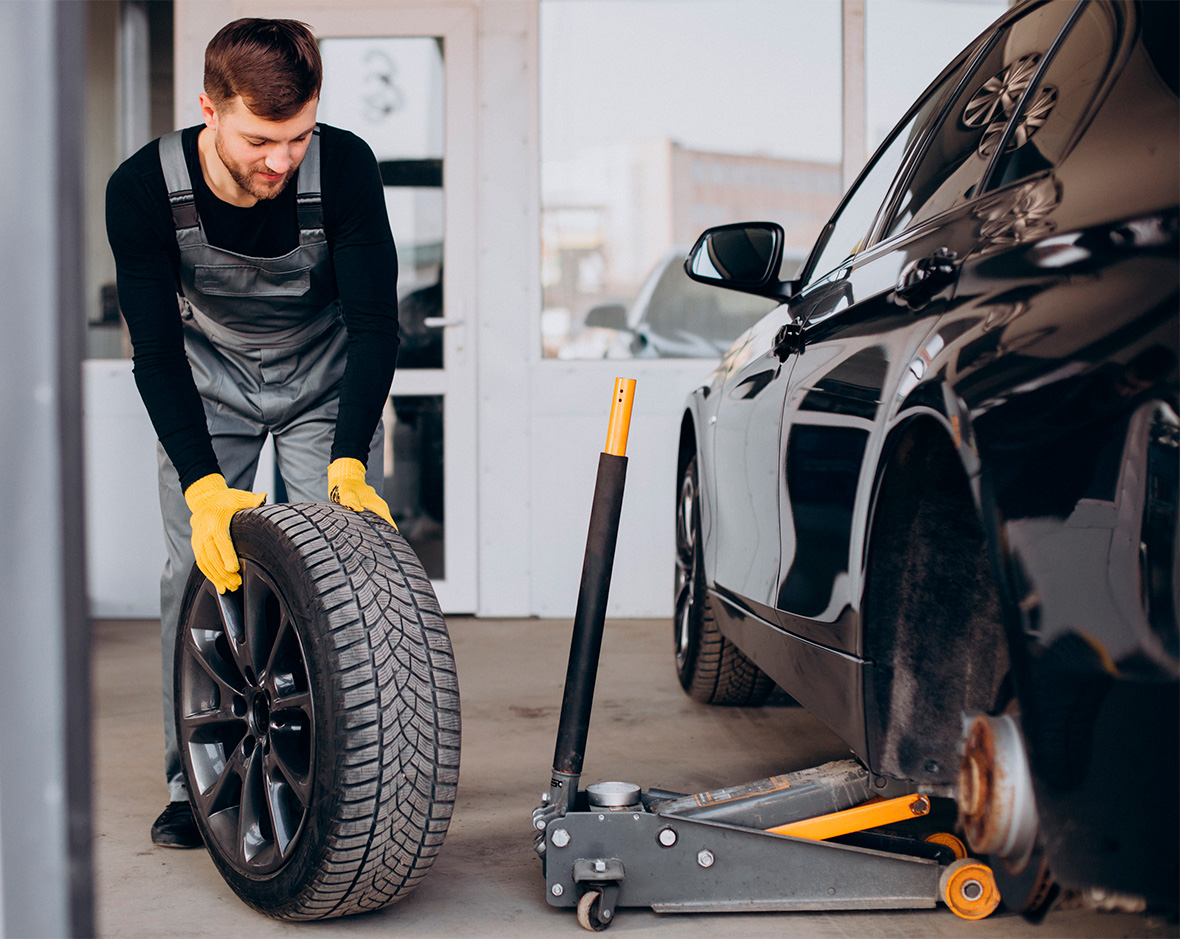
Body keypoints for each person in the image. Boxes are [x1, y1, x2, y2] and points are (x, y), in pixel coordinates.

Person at [105, 18, 400, 848]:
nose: (282, 160)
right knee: (195, 572)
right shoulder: (140, 190)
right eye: (261, 140)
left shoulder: (342, 166)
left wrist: (347, 460)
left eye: (298, 136)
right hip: (206, 387)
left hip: (322, 383)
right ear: (209, 108)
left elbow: (377, 322)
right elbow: (156, 350)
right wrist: (203, 484)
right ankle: (192, 781)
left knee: (341, 571)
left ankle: (350, 767)